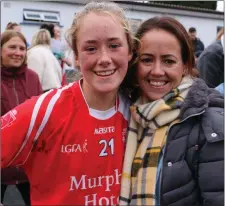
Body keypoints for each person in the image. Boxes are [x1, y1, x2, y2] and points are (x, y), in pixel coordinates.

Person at [1, 2, 133, 205]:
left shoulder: (140, 112)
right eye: (91, 48)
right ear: (77, 57)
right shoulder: (44, 111)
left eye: (114, 46)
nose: (104, 58)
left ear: (130, 51)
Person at [119, 17, 224, 206]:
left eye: (168, 61)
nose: (157, 71)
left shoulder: (211, 125)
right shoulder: (127, 116)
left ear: (185, 66)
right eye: (147, 60)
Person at [1, 30, 43, 205]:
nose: (17, 52)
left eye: (22, 48)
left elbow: (42, 115)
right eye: (12, 47)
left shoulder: (33, 77)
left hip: (29, 165)